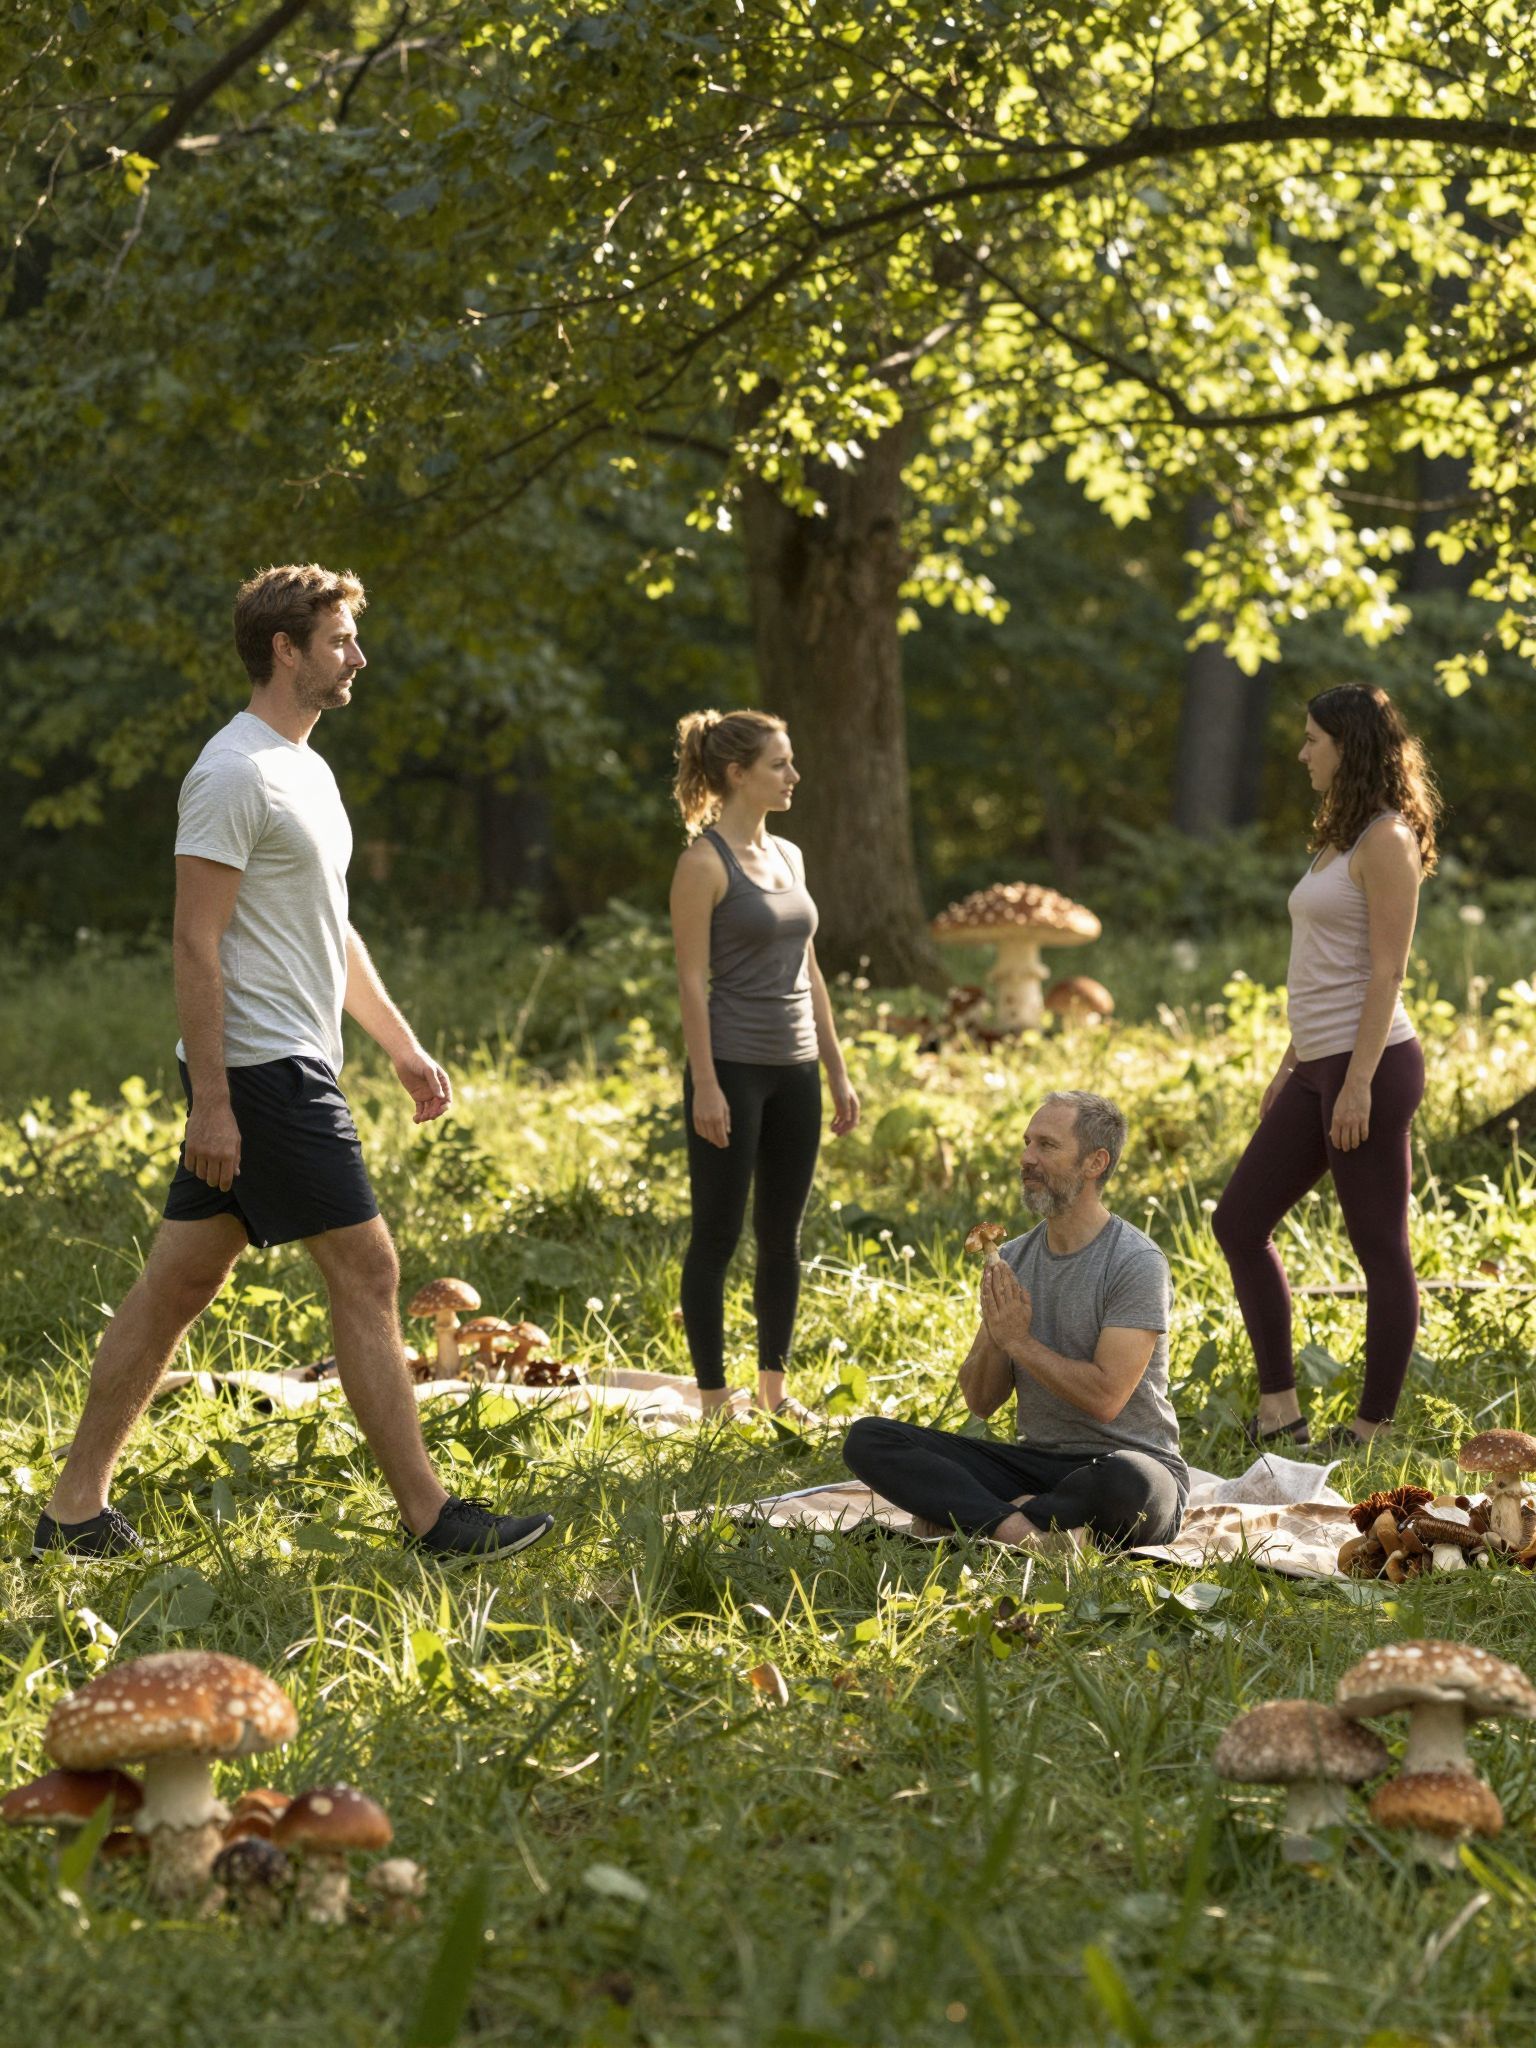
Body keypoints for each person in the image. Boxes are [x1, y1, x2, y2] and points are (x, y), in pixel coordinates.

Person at [33, 564, 554, 1563]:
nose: (358, 654)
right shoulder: (231, 771)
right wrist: (215, 1103)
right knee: (370, 1270)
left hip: (284, 1061)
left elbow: (329, 930)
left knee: (177, 1285)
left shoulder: (304, 768)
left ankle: (71, 1510)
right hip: (262, 1071)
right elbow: (196, 940)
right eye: (341, 639)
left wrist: (400, 1044)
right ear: (287, 648)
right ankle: (433, 1519)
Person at [1214, 682, 1439, 1454]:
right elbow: (1320, 965)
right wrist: (1294, 1060)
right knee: (1238, 1222)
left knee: (1379, 1246)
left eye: (1313, 739)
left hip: (1369, 1065)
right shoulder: (1337, 838)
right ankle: (1279, 1407)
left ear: (1348, 746)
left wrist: (1357, 1082)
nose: (1302, 752)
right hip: (1318, 1063)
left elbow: (1385, 974)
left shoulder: (1386, 839)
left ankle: (1373, 1426)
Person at [843, 1093, 1185, 1549]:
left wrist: (1019, 1341)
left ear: (1094, 1163)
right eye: (1027, 1143)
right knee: (869, 1439)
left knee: (1133, 1485)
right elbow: (982, 1402)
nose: (1026, 1158)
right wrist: (996, 1338)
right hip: (1035, 1462)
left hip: (1122, 1464)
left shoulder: (1136, 1262)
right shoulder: (1013, 1258)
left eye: (1047, 1145)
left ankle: (972, 1517)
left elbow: (1105, 1398)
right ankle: (1022, 1529)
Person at [668, 709, 859, 1423]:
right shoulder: (701, 864)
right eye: (780, 764)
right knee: (717, 1233)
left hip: (796, 1068)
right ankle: (715, 1398)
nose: (794, 776)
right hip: (732, 1069)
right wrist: (708, 1084)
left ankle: (775, 1393)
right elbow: (692, 982)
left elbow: (811, 976)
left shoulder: (791, 857)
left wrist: (837, 1071)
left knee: (783, 1236)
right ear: (737, 774)